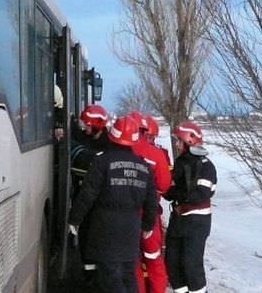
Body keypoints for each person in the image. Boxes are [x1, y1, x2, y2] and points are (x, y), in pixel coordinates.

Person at [69, 115, 158, 293]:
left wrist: (74, 219)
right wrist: (148, 224)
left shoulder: (102, 162)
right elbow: (151, 199)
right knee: (127, 274)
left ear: (112, 135)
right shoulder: (144, 166)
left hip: (106, 227)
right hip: (131, 228)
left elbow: (88, 194)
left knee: (109, 277)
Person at [163, 121, 217, 293]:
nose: (177, 145)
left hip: (196, 221)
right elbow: (170, 189)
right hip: (178, 220)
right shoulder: (180, 163)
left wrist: (177, 193)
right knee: (173, 264)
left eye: (179, 141)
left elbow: (203, 193)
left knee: (191, 266)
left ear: (189, 141)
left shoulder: (206, 166)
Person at [70, 103, 112, 283]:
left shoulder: (108, 145)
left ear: (96, 125)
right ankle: (89, 275)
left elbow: (86, 163)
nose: (84, 128)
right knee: (86, 241)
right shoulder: (84, 137)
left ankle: (96, 277)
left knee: (97, 241)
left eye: (87, 125)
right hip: (85, 200)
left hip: (99, 202)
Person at [131, 114, 172, 293]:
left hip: (123, 216)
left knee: (133, 262)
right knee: (154, 259)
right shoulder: (156, 153)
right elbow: (164, 184)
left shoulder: (115, 152)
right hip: (149, 215)